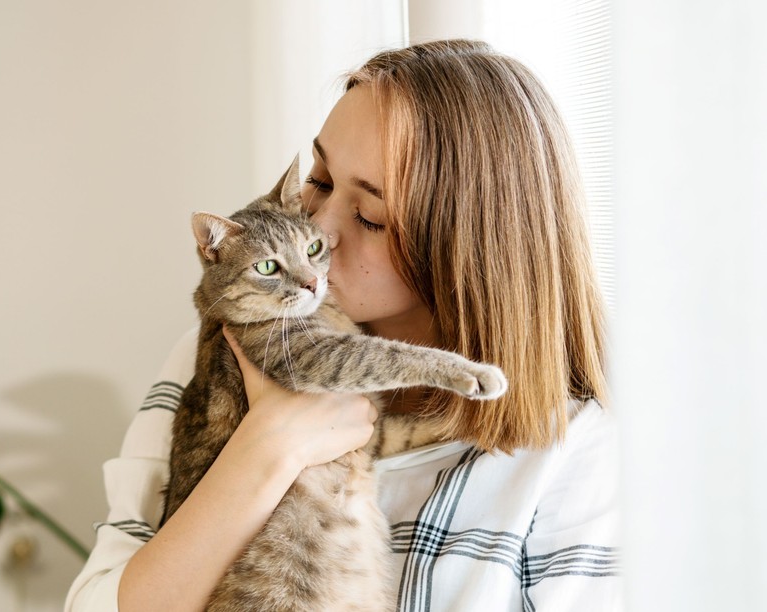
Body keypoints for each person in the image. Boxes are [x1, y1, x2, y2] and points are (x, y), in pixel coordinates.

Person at [65, 39, 622, 611]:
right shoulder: (210, 356)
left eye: (369, 216)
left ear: (465, 251)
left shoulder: (576, 452)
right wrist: (266, 449)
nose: (320, 231)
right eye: (321, 179)